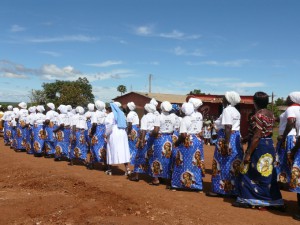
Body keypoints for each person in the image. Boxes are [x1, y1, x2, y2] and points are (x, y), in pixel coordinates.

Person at [233, 91, 284, 210]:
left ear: (254, 102)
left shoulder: (258, 116)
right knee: (267, 172)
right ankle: (273, 200)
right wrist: (246, 138)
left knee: (247, 170)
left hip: (258, 146)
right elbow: (260, 132)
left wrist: (248, 154)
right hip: (269, 145)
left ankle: (248, 199)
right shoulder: (271, 114)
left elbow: (257, 135)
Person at [206, 91, 243, 197]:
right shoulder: (236, 111)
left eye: (224, 97)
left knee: (221, 163)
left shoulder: (227, 110)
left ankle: (219, 189)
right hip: (235, 138)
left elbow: (228, 127)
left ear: (228, 99)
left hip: (227, 138)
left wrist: (226, 144)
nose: (222, 99)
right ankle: (233, 189)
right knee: (233, 163)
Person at [171, 102, 205, 191]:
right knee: (196, 164)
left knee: (181, 162)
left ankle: (178, 184)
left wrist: (177, 143)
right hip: (197, 141)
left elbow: (183, 135)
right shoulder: (197, 117)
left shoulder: (185, 119)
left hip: (187, 143)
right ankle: (197, 185)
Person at [279, 92, 300, 220]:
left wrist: (284, 137)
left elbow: (291, 121)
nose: (286, 99)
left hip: (293, 140)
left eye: (288, 97)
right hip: (296, 140)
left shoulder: (292, 109)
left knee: (295, 172)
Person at [149, 101, 175, 185]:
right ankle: (165, 176)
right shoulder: (173, 117)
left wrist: (151, 134)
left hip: (160, 139)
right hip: (169, 139)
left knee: (156, 157)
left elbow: (156, 130)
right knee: (167, 158)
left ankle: (156, 179)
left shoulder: (159, 117)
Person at [129, 103, 156, 182]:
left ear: (147, 109)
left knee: (140, 155)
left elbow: (143, 130)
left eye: (144, 109)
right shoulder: (156, 117)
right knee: (152, 156)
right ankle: (154, 177)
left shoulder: (145, 117)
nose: (143, 110)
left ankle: (137, 175)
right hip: (154, 138)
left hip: (146, 137)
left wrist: (141, 141)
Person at [104, 103, 131, 175]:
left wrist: (106, 134)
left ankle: (109, 170)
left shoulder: (110, 115)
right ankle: (127, 169)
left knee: (110, 149)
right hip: (123, 133)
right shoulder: (122, 114)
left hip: (114, 133)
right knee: (124, 150)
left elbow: (109, 126)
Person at [275, 110, 296, 188]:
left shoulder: (294, 110)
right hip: (284, 137)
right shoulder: (288, 110)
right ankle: (282, 180)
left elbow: (291, 122)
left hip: (288, 137)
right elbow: (281, 119)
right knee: (281, 160)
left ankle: (289, 182)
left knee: (288, 160)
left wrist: (283, 136)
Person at [89, 100, 107, 169]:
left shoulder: (95, 114)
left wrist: (91, 133)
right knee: (103, 148)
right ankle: (105, 164)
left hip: (97, 131)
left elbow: (94, 124)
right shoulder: (105, 114)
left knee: (93, 147)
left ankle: (91, 164)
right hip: (103, 131)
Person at [126, 102, 140, 167]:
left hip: (132, 130)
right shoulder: (135, 113)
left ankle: (132, 160)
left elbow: (130, 125)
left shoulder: (129, 114)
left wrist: (128, 133)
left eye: (127, 106)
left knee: (131, 146)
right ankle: (135, 158)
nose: (126, 108)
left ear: (129, 108)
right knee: (135, 145)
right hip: (136, 130)